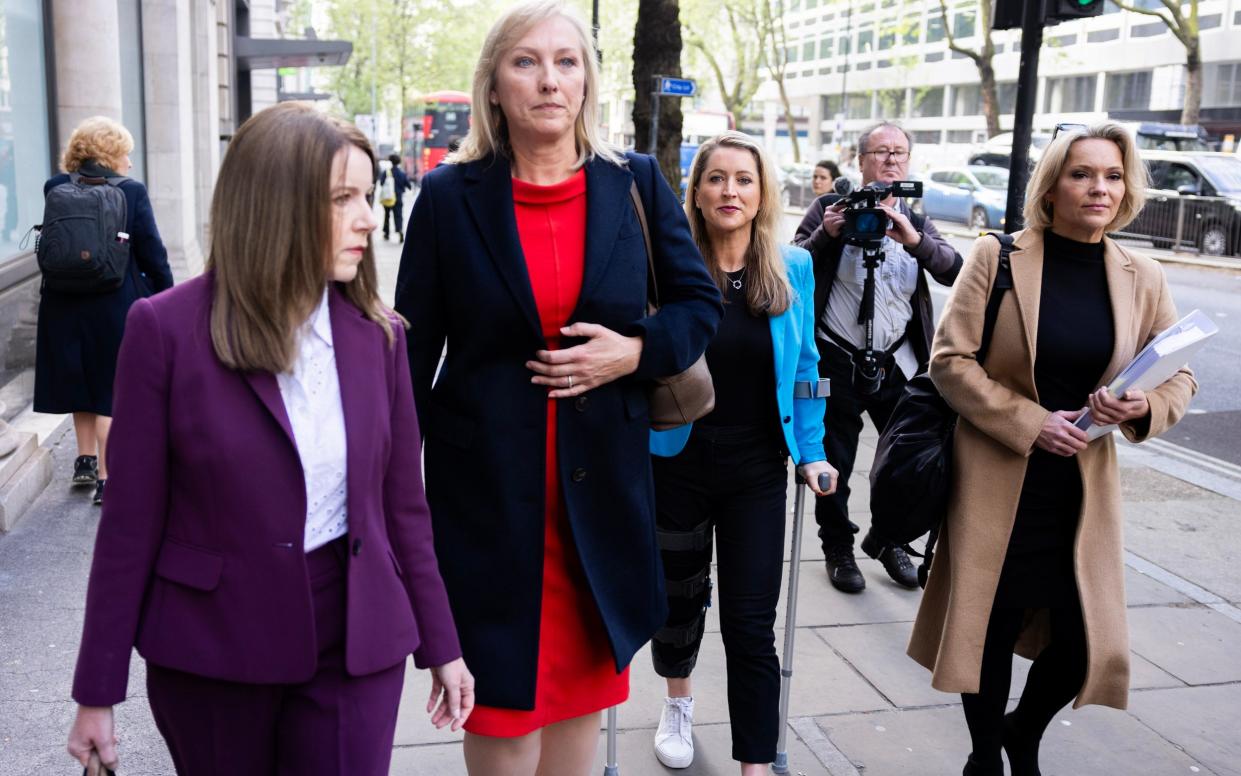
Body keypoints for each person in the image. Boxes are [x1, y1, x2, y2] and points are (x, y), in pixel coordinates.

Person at [65, 102, 473, 776]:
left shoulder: (381, 337)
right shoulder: (164, 331)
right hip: (214, 651)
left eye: (367, 196)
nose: (370, 219)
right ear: (275, 203)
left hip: (356, 641)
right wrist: (97, 691)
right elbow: (130, 524)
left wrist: (443, 646)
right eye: (343, 198)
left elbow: (404, 511)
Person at [393, 2, 722, 774]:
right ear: (495, 85)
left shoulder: (633, 183)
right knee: (503, 728)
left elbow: (696, 305)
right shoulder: (448, 198)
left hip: (598, 512)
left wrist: (631, 351)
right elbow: (408, 354)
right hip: (487, 514)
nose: (549, 79)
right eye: (526, 62)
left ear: (587, 82)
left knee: (575, 738)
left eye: (566, 61)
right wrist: (385, 498)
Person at [907, 122, 1198, 775]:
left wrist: (1143, 405)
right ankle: (985, 757)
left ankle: (1021, 732)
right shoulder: (1000, 257)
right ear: (1052, 184)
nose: (1098, 187)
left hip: (1082, 486)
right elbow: (950, 363)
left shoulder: (1140, 274)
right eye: (1082, 173)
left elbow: (1179, 373)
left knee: (1084, 638)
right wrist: (1029, 421)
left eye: (1112, 175)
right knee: (992, 623)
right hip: (998, 477)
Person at [648, 131, 837, 773]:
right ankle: (678, 700)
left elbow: (809, 368)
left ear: (762, 195)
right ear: (696, 193)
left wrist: (811, 452)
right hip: (675, 461)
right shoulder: (666, 269)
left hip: (758, 467)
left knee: (751, 623)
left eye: (744, 180)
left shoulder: (794, 268)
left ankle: (755, 762)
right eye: (717, 178)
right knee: (677, 603)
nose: (731, 190)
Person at [793, 121, 962, 594]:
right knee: (835, 466)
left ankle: (888, 539)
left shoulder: (917, 217)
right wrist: (827, 235)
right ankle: (838, 548)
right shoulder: (830, 207)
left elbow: (955, 272)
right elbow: (787, 270)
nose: (891, 160)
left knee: (906, 465)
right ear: (861, 159)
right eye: (881, 152)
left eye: (900, 152)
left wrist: (913, 239)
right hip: (837, 361)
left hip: (898, 366)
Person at [35, 117, 174, 506]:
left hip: (63, 299)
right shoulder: (131, 191)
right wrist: (167, 294)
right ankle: (107, 478)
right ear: (111, 154)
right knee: (112, 387)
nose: (130, 161)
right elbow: (151, 250)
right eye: (125, 152)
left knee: (79, 377)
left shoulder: (55, 186)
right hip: (114, 300)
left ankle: (84, 460)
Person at [379, 153, 411, 241]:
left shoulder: (387, 172)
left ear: (391, 162)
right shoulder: (402, 173)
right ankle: (400, 230)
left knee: (387, 215)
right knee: (398, 215)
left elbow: (381, 183)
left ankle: (386, 233)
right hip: (398, 197)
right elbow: (408, 185)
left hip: (388, 198)